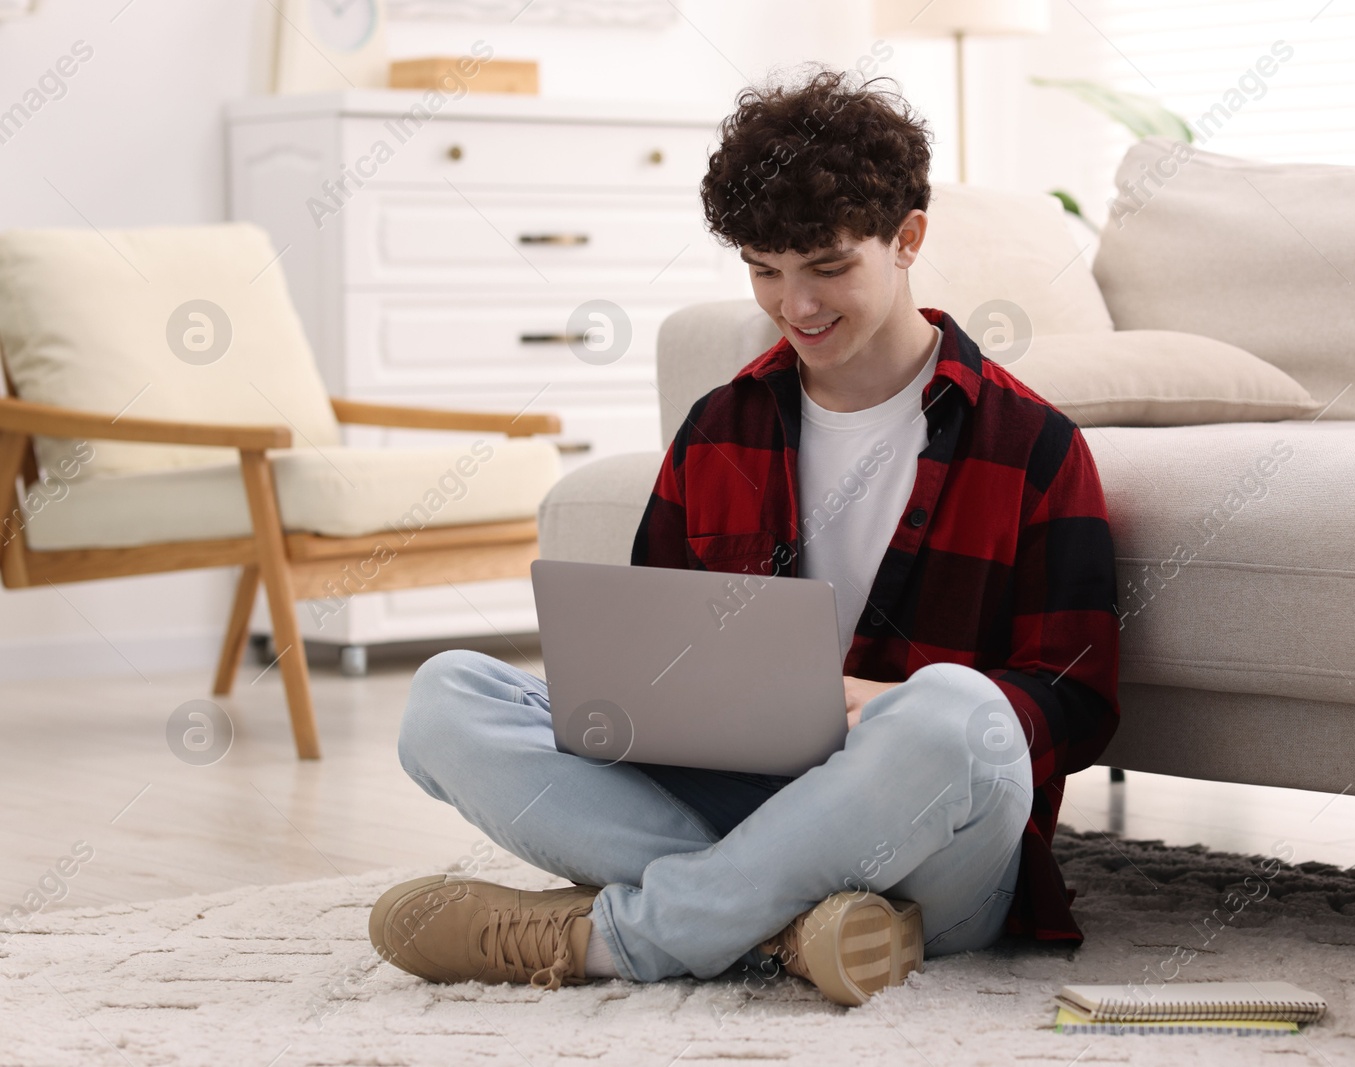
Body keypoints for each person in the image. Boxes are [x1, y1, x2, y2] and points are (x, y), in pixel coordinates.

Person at [369, 66, 1121, 1007]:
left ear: (908, 239)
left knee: (955, 714)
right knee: (446, 697)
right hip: (735, 797)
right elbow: (652, 657)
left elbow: (1077, 702)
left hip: (931, 843)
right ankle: (800, 927)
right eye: (765, 270)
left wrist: (881, 704)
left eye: (828, 267)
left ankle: (623, 938)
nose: (795, 305)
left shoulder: (1033, 442)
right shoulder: (720, 426)